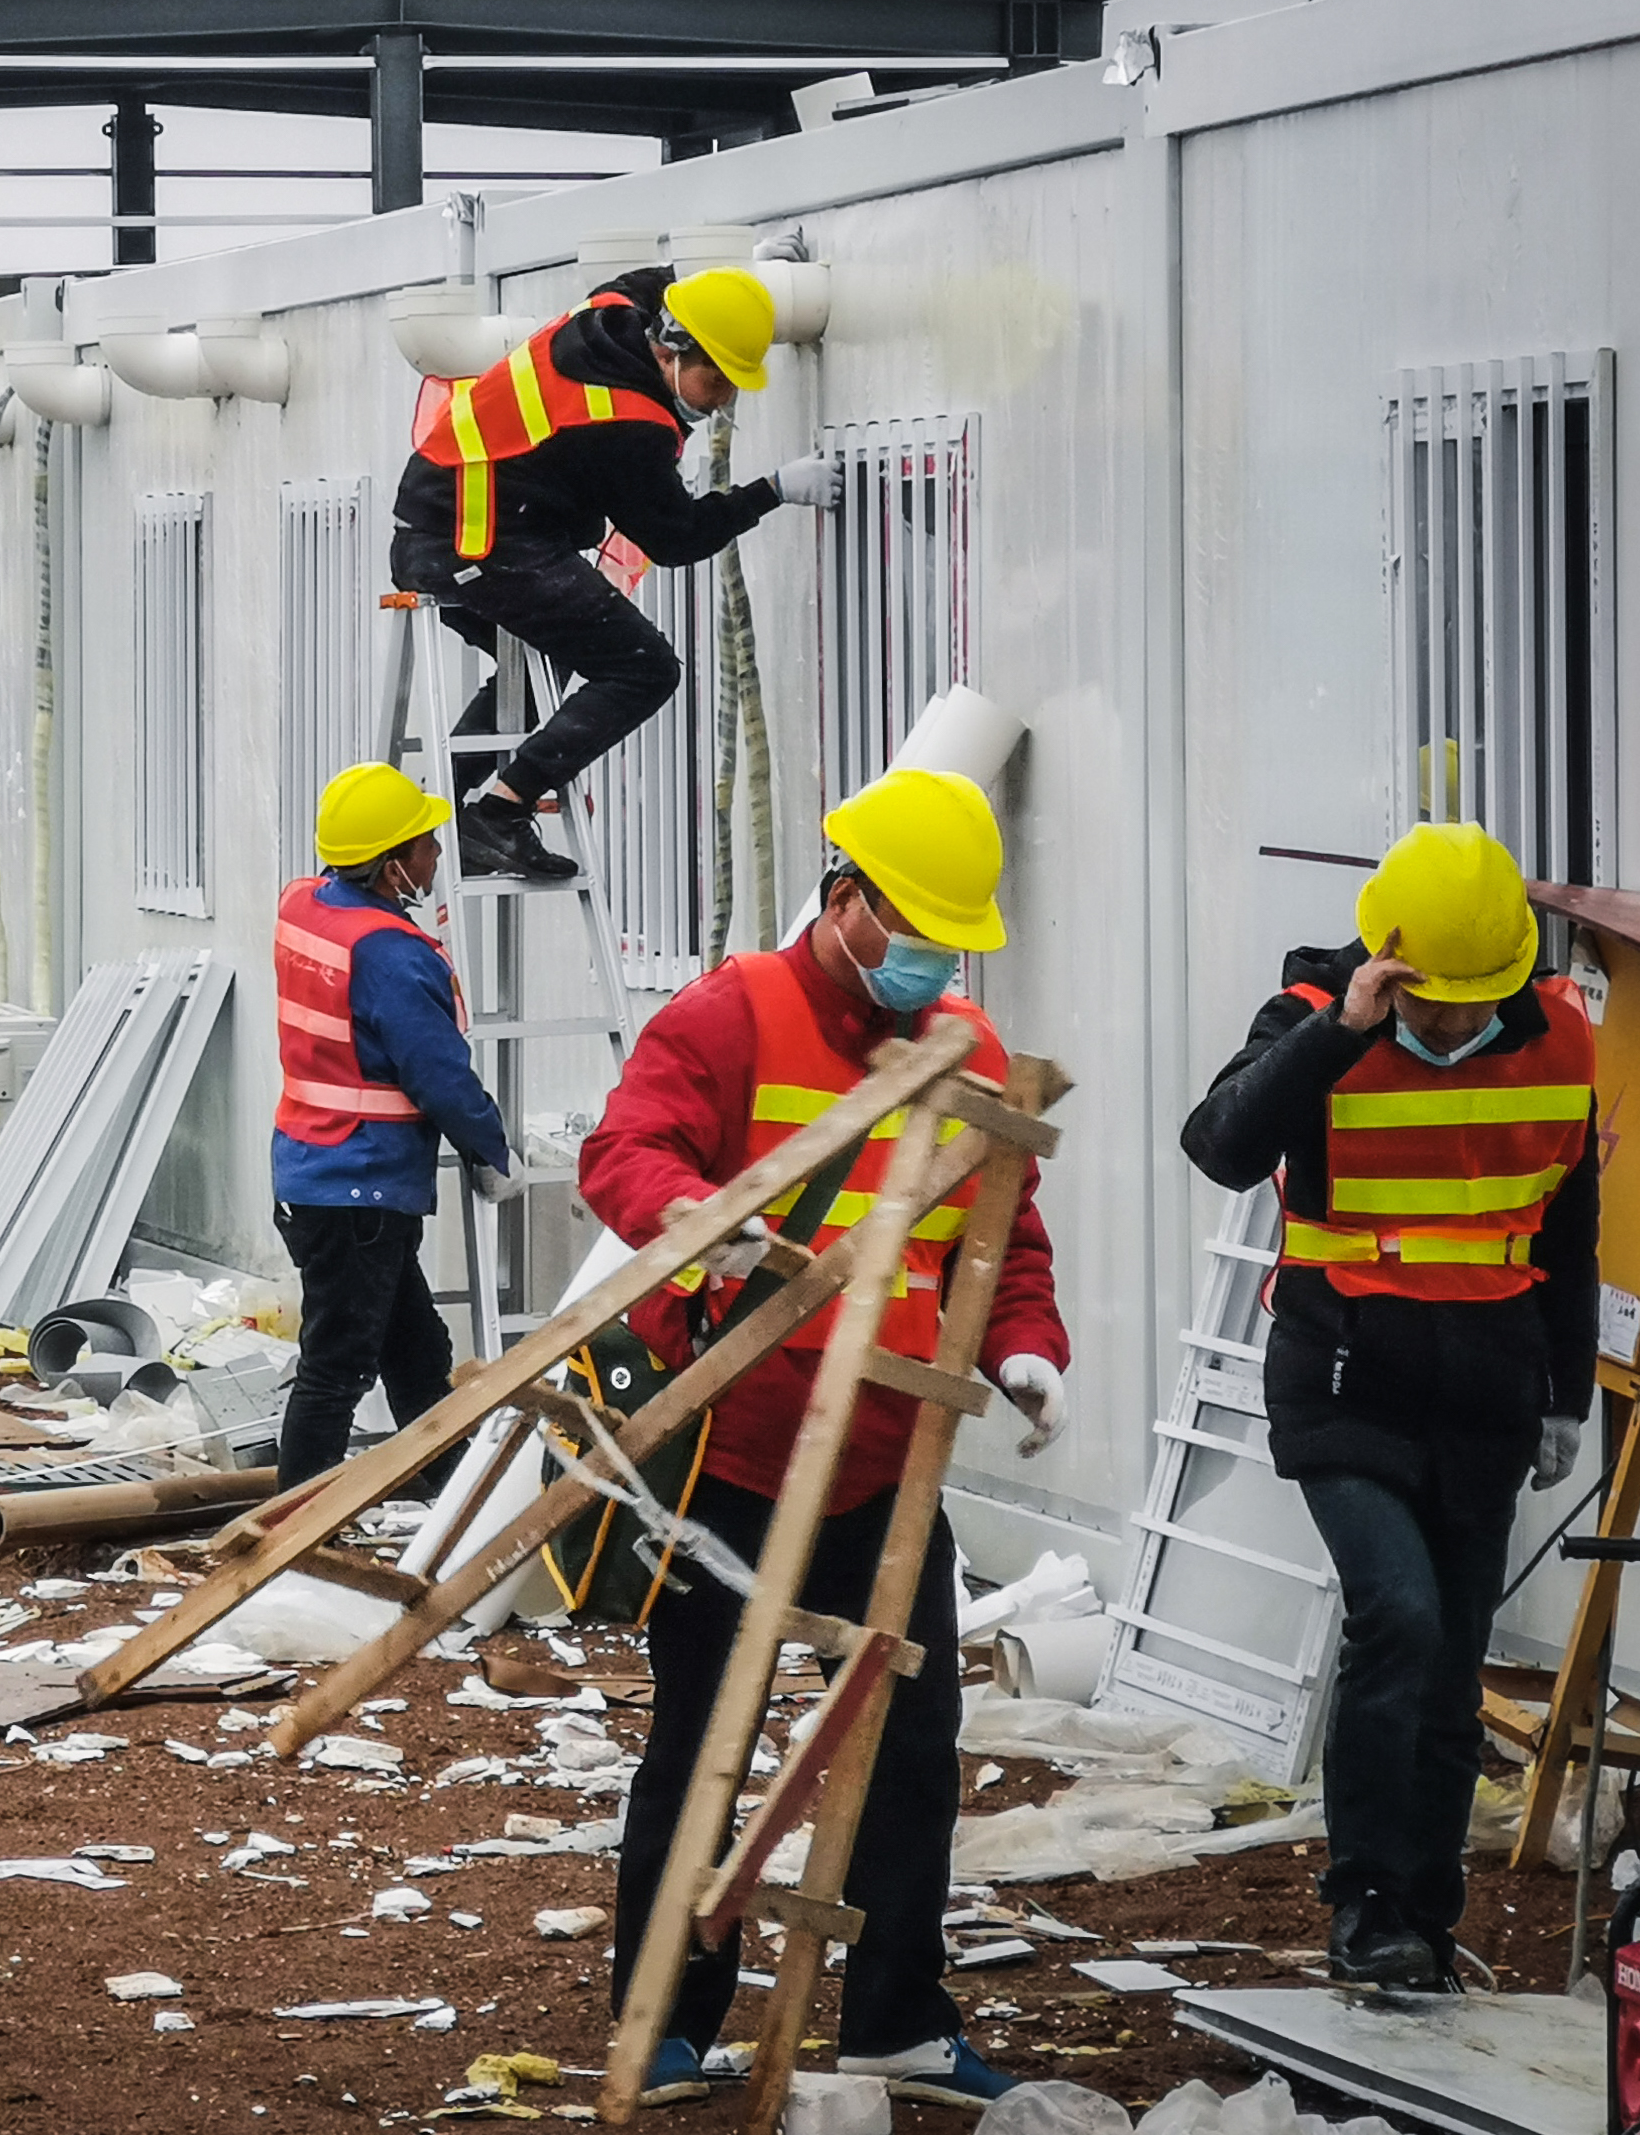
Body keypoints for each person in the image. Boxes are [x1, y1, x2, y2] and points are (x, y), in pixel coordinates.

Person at [575, 765, 1069, 2110]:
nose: (925, 960)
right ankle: (665, 2016)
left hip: (884, 1467)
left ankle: (895, 2015)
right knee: (705, 1742)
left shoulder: (958, 1043)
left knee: (911, 1743)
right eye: (908, 926)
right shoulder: (730, 1013)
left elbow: (998, 1232)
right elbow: (623, 1151)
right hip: (735, 1459)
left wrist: (1026, 1343)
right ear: (841, 896)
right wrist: (706, 1225)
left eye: (946, 940)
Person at [1181, 822, 1596, 1992]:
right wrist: (1337, 1028)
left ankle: (1421, 1915)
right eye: (1431, 999)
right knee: (1398, 1619)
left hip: (1486, 1387)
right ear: (1385, 964)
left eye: (1475, 1002)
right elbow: (1217, 1145)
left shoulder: (1555, 1032)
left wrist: (1564, 1389)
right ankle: (1363, 1903)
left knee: (1451, 1666)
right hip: (1342, 1371)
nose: (1454, 1024)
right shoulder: (1312, 1019)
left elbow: (1567, 1222)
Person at [388, 237, 837, 883]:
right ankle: (499, 813)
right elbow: (677, 538)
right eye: (715, 381)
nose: (719, 404)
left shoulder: (626, 303)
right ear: (672, 348)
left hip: (449, 527)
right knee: (644, 667)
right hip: (472, 540)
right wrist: (772, 491)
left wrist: (755, 286)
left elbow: (671, 278)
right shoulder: (629, 425)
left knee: (551, 659)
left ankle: (443, 814)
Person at [270, 763, 514, 1489]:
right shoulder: (392, 955)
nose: (438, 855)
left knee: (414, 1354)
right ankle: (291, 1529)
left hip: (316, 1172)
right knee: (337, 1366)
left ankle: (443, 1501)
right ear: (391, 866)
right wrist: (492, 1149)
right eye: (426, 845)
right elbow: (437, 1072)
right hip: (361, 1189)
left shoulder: (304, 904)